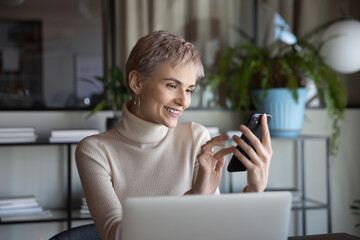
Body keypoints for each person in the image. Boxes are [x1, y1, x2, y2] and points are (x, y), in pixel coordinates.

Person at [75, 30, 273, 240]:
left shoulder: (195, 137)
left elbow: (215, 232)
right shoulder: (95, 151)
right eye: (172, 86)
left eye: (189, 90)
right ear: (137, 83)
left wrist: (254, 190)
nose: (184, 101)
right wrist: (193, 200)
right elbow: (117, 235)